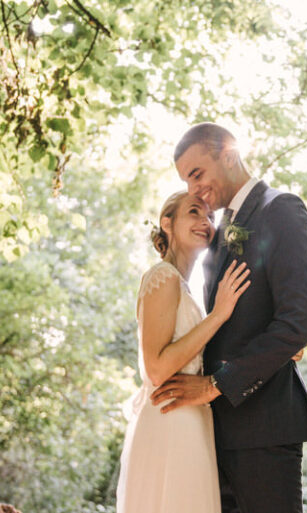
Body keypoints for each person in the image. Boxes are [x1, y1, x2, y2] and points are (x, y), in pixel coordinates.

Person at [151, 123, 307, 513]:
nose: (194, 188)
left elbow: (296, 322)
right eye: (185, 180)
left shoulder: (280, 209)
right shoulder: (217, 232)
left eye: (197, 174)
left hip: (262, 428)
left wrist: (214, 386)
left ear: (229, 155)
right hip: (212, 433)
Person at [116, 191, 251, 513]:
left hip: (192, 417)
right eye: (194, 212)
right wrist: (219, 315)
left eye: (210, 217)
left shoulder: (187, 288)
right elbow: (157, 369)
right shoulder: (162, 276)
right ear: (167, 223)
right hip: (170, 419)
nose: (205, 222)